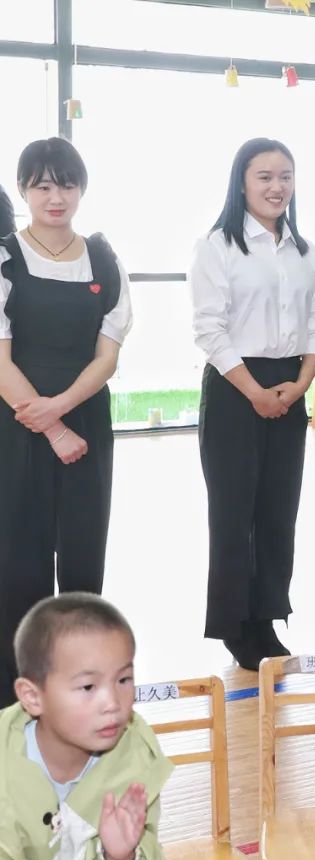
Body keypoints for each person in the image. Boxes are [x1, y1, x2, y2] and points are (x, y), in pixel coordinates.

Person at [0, 138, 132, 708]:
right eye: (43, 186)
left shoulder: (103, 258)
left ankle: (82, 679)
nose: (56, 197)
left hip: (86, 420)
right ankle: (18, 690)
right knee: (19, 554)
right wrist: (51, 424)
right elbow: (0, 362)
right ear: (24, 190)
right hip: (18, 422)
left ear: (82, 189)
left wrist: (62, 408)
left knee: (83, 550)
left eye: (67, 185)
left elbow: (107, 356)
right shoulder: (5, 257)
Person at [190, 137, 315, 670]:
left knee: (278, 511)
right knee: (233, 515)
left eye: (285, 177)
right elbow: (209, 329)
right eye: (264, 177)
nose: (277, 187)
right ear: (242, 183)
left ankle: (268, 617)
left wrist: (300, 386)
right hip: (234, 388)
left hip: (290, 386)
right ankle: (236, 625)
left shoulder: (305, 252)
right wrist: (255, 392)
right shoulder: (217, 247)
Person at [0, 593, 173, 860]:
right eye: (88, 686)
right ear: (33, 697)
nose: (112, 703)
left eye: (123, 680)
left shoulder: (135, 757)